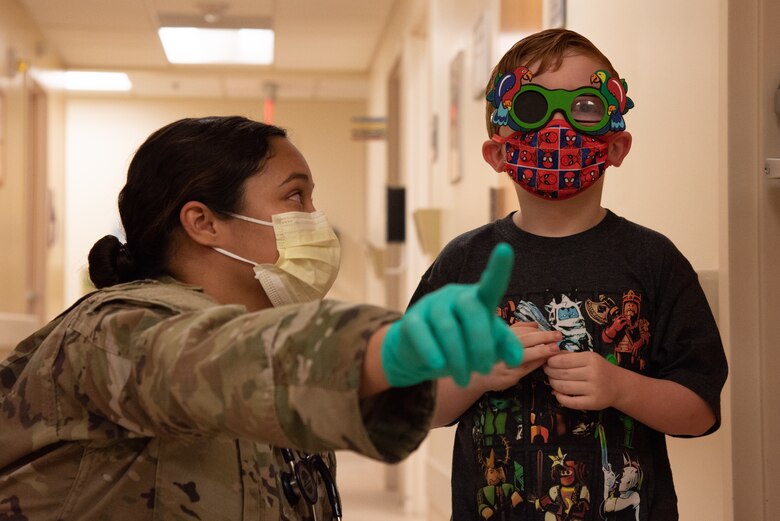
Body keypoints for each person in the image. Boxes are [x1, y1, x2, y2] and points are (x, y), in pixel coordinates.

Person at [0, 115, 561, 521]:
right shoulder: (114, 331)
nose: (316, 220)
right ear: (203, 222)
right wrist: (390, 345)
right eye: (296, 197)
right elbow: (217, 362)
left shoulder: (267, 330)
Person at [409, 29, 728, 521]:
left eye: (584, 109)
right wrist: (475, 376)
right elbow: (411, 403)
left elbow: (700, 410)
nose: (559, 129)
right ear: (497, 154)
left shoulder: (654, 260)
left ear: (617, 146)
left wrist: (621, 387)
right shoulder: (463, 264)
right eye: (533, 109)